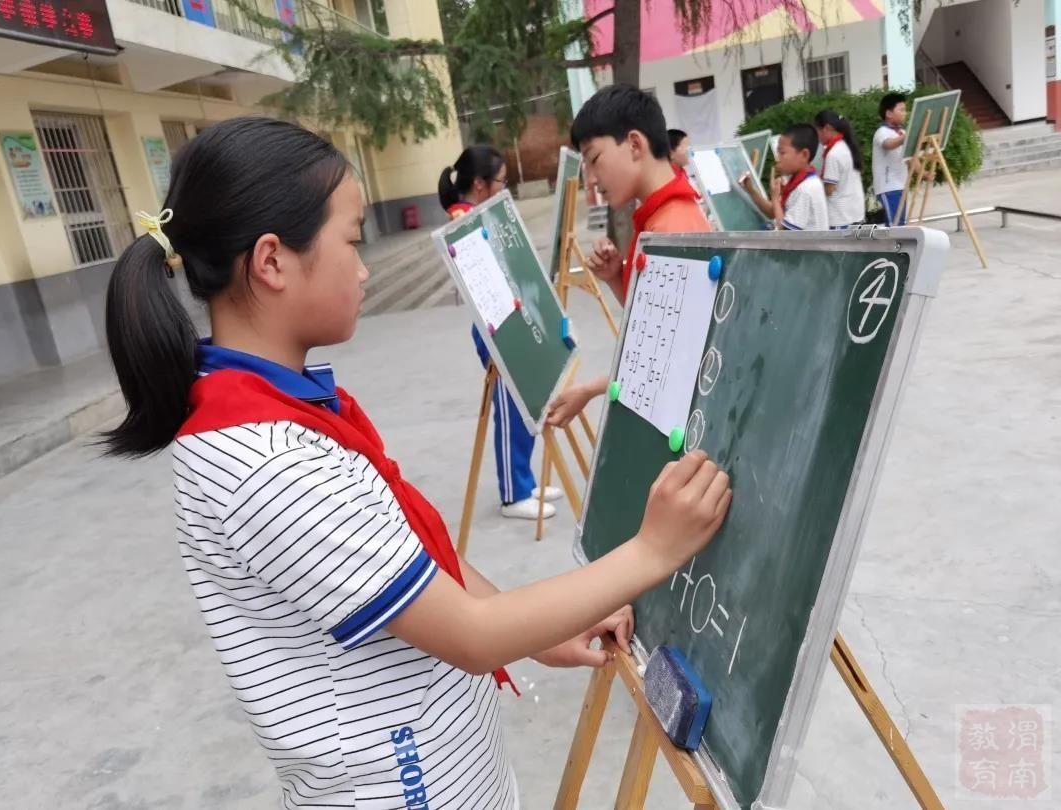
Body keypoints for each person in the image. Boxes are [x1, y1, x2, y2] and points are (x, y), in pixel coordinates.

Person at [101, 117, 733, 809]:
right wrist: (652, 551)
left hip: (438, 772)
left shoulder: (280, 409)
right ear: (272, 261)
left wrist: (544, 634)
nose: (365, 266)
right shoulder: (266, 461)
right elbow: (470, 635)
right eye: (350, 241)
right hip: (402, 789)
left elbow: (416, 565)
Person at [547, 84, 713, 428]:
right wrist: (616, 277)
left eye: (594, 160)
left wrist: (590, 389)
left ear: (635, 144)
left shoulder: (673, 232)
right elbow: (657, 321)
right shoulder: (659, 219)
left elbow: (671, 362)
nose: (590, 180)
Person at [438, 146, 561, 520]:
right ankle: (513, 492)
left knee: (525, 403)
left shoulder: (480, 215)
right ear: (479, 184)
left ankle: (523, 478)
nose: (505, 188)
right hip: (493, 326)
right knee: (509, 406)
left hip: (508, 317)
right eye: (501, 182)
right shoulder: (463, 221)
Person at [740, 123, 829, 231]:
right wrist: (751, 190)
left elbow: (784, 231)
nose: (777, 159)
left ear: (804, 155)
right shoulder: (797, 181)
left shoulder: (806, 188)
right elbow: (773, 212)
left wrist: (775, 198)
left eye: (782, 153)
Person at [814, 109, 866, 229]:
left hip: (840, 218)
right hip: (855, 214)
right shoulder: (845, 146)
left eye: (817, 131)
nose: (817, 136)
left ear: (826, 128)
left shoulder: (833, 154)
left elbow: (829, 189)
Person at [873, 92, 909, 226]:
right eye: (901, 110)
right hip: (888, 188)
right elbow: (889, 144)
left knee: (900, 224)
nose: (905, 113)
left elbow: (910, 158)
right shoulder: (882, 132)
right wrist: (906, 137)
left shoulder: (902, 133)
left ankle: (900, 247)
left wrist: (926, 174)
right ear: (889, 113)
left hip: (901, 186)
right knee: (895, 227)